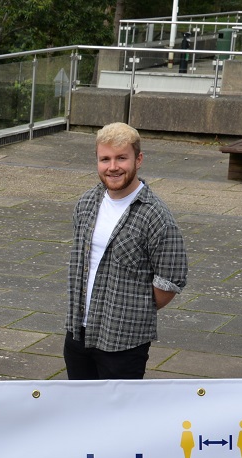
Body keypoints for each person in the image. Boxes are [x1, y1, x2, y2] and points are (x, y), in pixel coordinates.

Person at [64, 122, 188, 380]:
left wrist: (131, 310)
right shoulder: (86, 203)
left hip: (124, 341)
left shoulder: (156, 216)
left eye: (122, 158)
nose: (113, 167)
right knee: (80, 413)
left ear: (138, 159)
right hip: (78, 332)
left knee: (118, 418)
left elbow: (170, 281)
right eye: (105, 159)